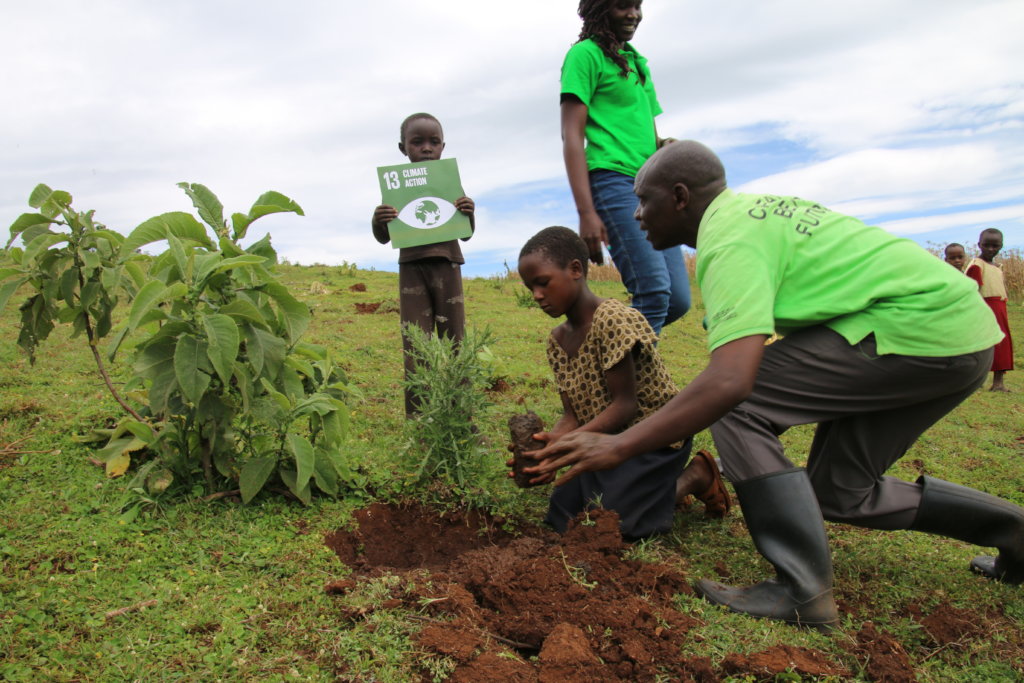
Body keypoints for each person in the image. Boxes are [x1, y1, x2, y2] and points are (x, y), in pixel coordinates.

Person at [526, 141, 1021, 631]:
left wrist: (619, 446)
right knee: (839, 491)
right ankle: (1016, 533)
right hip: (959, 337)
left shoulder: (729, 239)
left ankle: (802, 590)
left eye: (643, 200)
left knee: (738, 404)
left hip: (921, 328)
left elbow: (731, 381)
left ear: (679, 197)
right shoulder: (750, 216)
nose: (635, 215)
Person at [515, 226, 729, 540]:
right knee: (564, 516)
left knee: (614, 523)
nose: (536, 296)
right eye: (530, 287)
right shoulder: (557, 341)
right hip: (603, 439)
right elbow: (572, 416)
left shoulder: (612, 319)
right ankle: (642, 491)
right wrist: (545, 451)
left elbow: (624, 407)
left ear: (576, 269)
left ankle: (695, 476)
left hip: (652, 437)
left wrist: (564, 449)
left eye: (543, 283)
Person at [560, 0, 690, 335]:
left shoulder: (637, 62)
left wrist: (664, 147)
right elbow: (571, 136)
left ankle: (600, 348)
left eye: (637, 5)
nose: (633, 14)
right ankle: (630, 387)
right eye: (622, 6)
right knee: (654, 291)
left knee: (677, 299)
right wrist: (586, 212)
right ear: (600, 9)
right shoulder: (584, 55)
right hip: (612, 180)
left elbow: (647, 128)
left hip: (651, 185)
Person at [371, 113, 475, 416]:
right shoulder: (397, 188)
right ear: (403, 148)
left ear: (443, 146)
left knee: (456, 341)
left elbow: (466, 234)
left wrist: (469, 211)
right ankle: (419, 421)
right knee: (415, 345)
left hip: (448, 264)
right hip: (411, 269)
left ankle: (462, 417)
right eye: (417, 143)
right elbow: (382, 236)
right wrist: (379, 220)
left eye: (434, 142)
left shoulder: (449, 184)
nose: (427, 148)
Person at [965, 228, 1014, 392]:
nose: (991, 249)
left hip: (999, 307)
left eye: (996, 246)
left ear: (1001, 246)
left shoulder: (996, 267)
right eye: (987, 245)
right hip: (987, 307)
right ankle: (980, 381)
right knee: (988, 343)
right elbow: (972, 289)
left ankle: (998, 382)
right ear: (979, 245)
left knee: (1002, 343)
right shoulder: (977, 265)